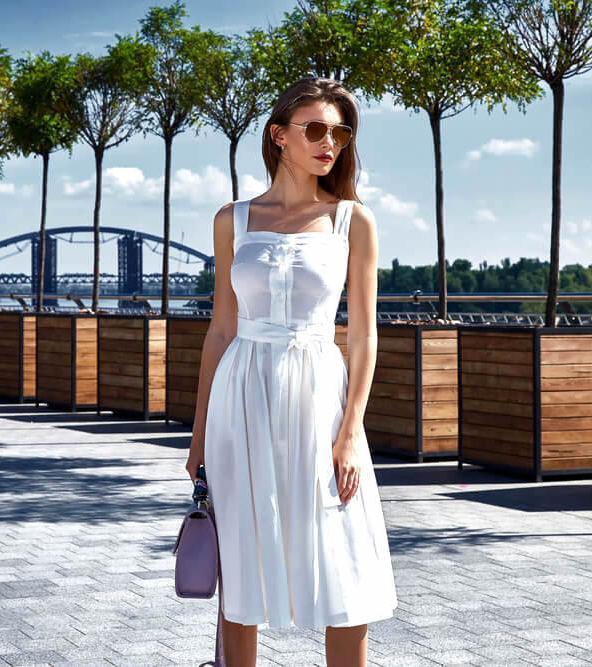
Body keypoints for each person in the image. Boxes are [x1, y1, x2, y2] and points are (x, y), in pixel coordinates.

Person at [185, 76, 398, 666]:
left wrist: (351, 430)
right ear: (280, 136)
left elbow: (362, 334)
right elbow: (222, 331)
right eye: (315, 129)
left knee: (341, 560)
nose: (329, 142)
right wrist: (199, 434)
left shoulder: (353, 220)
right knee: (242, 563)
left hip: (321, 397)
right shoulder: (234, 220)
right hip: (241, 395)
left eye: (339, 131)